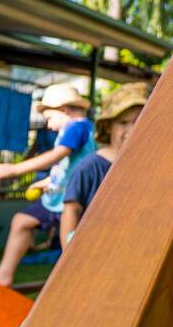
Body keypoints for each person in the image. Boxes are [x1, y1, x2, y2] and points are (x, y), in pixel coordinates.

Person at [0, 83, 95, 287]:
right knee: (22, 221)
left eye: (49, 118)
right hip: (59, 196)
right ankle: (4, 273)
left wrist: (14, 169)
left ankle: (74, 284)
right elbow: (68, 166)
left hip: (71, 201)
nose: (48, 125)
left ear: (63, 110)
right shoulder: (80, 129)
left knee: (69, 244)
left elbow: (58, 155)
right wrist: (45, 183)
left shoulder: (77, 126)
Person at [59, 82, 149, 244]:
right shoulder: (90, 166)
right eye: (123, 123)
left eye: (139, 121)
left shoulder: (149, 164)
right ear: (108, 127)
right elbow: (71, 210)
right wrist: (68, 256)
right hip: (96, 247)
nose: (132, 129)